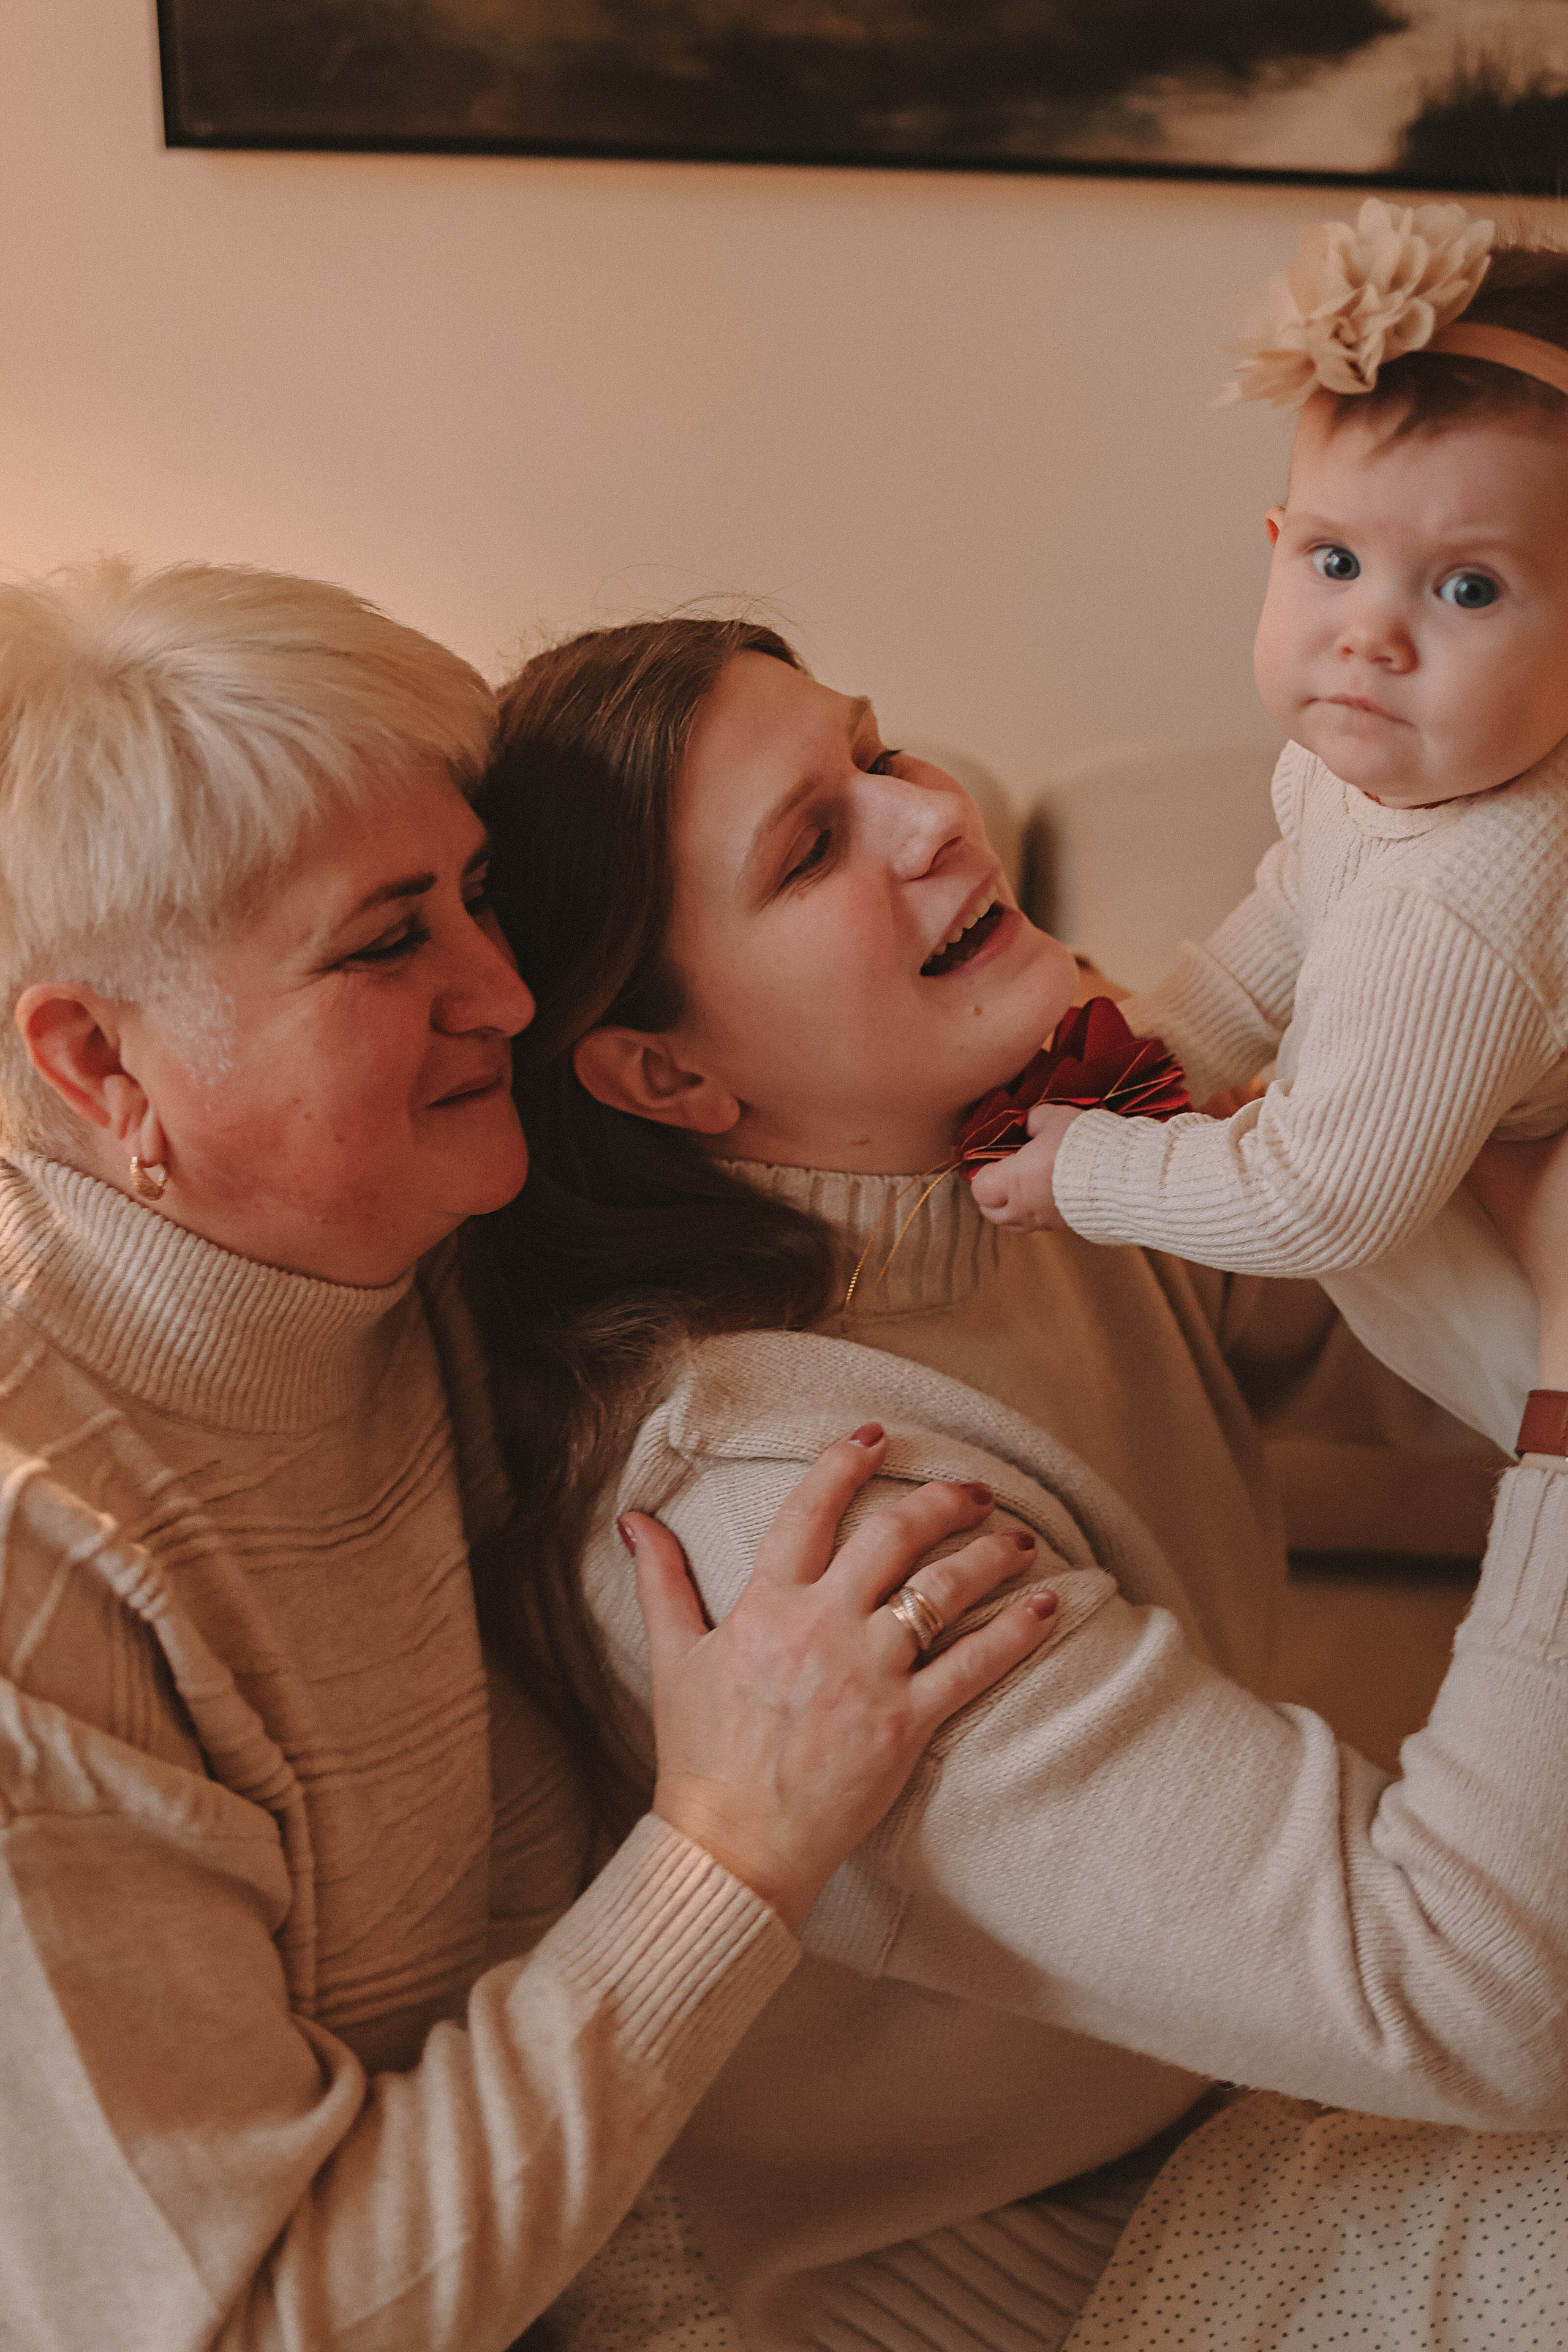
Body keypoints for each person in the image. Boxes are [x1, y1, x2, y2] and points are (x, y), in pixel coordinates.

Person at [0, 557, 1060, 2352]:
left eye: (480, 895)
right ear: (102, 1061)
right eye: (390, 938)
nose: (506, 992)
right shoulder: (45, 1573)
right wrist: (731, 1847)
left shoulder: (412, 1216)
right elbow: (262, 2326)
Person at [475, 614, 1568, 2352]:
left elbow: (1403, 1349)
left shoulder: (1026, 1165)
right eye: (813, 846)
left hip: (1234, 2111)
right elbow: (1476, 1998)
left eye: (877, 753)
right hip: (1036, 2279)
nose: (929, 822)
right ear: (669, 1074)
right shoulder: (793, 1515)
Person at [971, 202, 1568, 1459]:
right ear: (1273, 545)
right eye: (1333, 561)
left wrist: (1089, 1172)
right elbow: (1279, 930)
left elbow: (1319, 1206)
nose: (1368, 636)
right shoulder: (1353, 770)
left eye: (1467, 587)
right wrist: (1132, 1065)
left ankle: (1523, 1658)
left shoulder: (1454, 901)